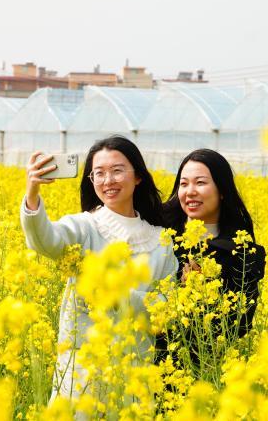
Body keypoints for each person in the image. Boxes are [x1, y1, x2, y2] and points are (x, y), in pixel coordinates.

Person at [20, 136, 178, 400]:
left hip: (135, 377)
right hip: (82, 375)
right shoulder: (84, 227)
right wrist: (32, 193)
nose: (108, 181)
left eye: (117, 171)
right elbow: (45, 241)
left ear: (138, 176)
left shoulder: (161, 239)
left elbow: (166, 307)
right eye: (99, 174)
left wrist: (116, 294)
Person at [158, 149, 266, 362]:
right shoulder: (159, 236)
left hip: (207, 366)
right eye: (183, 183)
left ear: (222, 190)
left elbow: (241, 325)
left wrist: (199, 298)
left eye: (200, 183)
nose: (190, 191)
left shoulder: (242, 252)